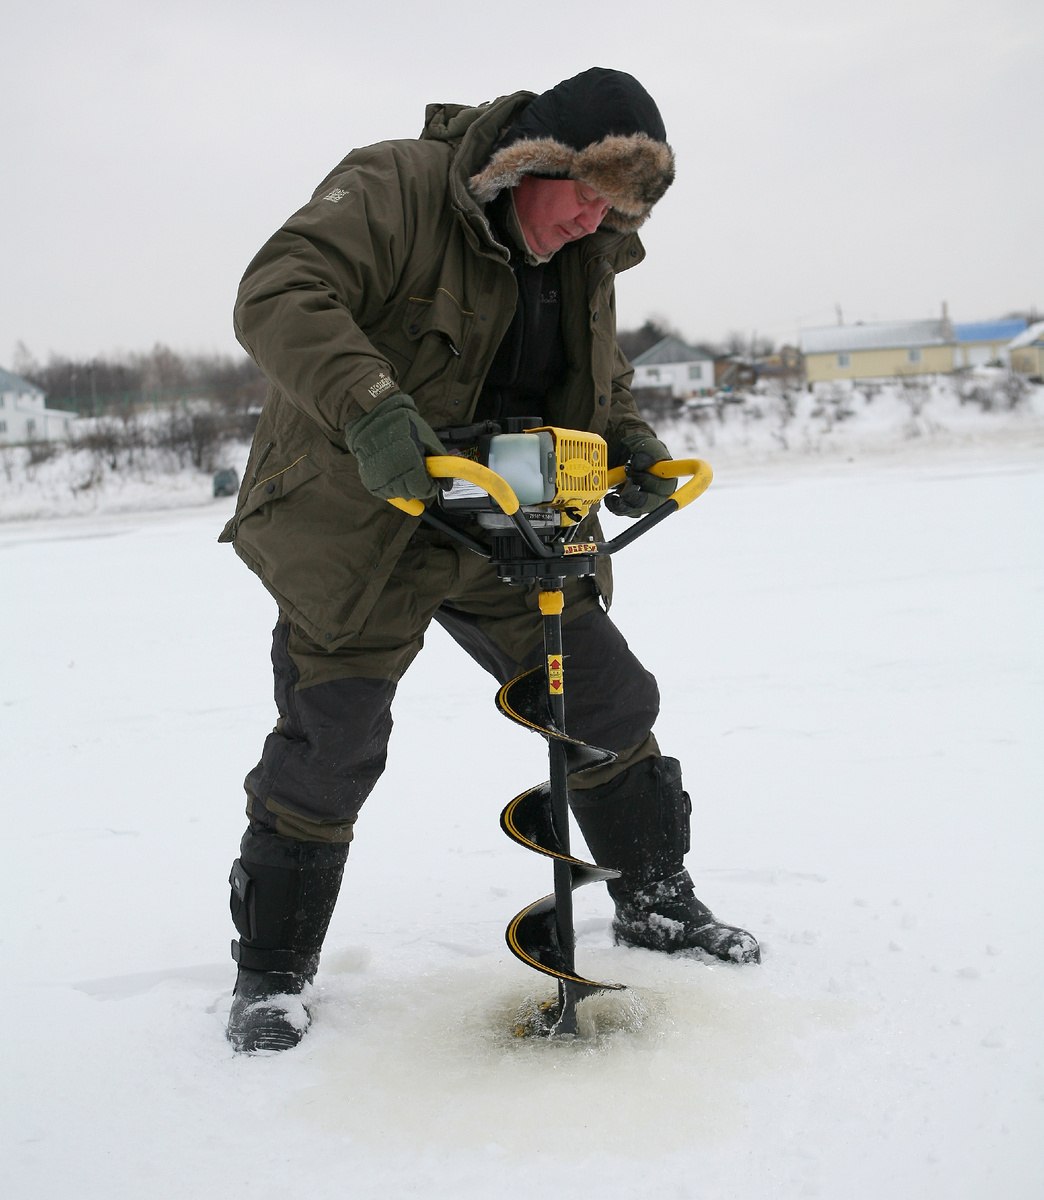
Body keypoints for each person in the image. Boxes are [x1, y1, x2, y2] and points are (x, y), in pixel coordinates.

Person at [220, 68, 759, 1054]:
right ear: (531, 163)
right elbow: (277, 288)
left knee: (610, 702)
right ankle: (270, 977)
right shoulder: (398, 188)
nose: (593, 220)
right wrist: (373, 407)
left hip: (507, 526)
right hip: (364, 523)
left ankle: (655, 899)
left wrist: (630, 443)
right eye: (584, 193)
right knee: (331, 741)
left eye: (617, 209)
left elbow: (600, 373)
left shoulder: (584, 250)